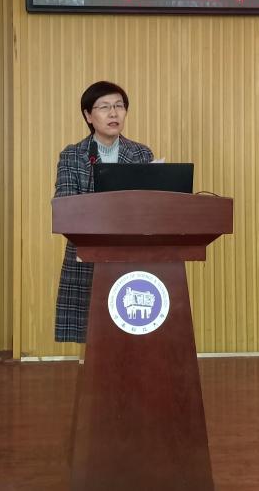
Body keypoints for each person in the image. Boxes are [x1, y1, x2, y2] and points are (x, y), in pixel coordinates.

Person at [54, 80, 154, 344]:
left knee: (131, 332)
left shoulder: (141, 153)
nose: (113, 113)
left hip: (133, 254)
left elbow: (149, 207)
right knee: (92, 338)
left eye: (119, 106)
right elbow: (65, 206)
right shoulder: (72, 155)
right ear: (88, 115)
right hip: (87, 255)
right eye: (104, 107)